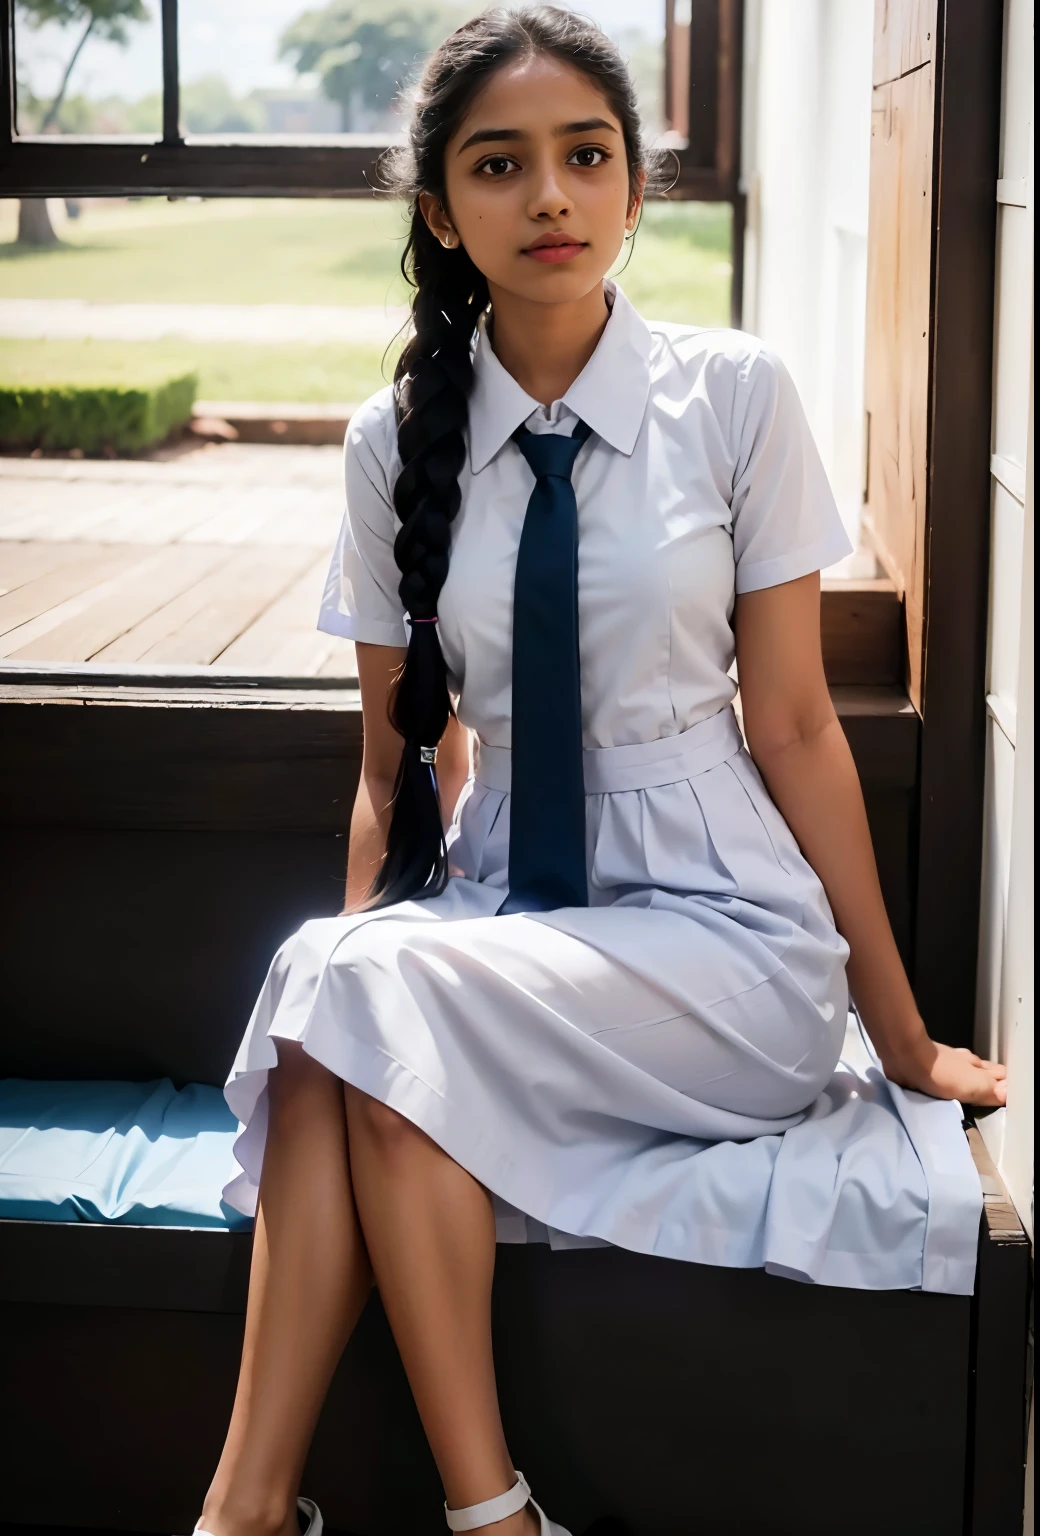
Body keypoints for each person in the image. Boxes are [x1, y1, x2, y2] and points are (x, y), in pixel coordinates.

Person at [194, 8, 1006, 1536]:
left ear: (638, 181)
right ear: (442, 210)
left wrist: (898, 1037)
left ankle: (377, 1514)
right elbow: (393, 760)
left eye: (586, 156)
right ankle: (315, 1511)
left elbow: (798, 731)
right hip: (508, 921)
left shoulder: (738, 396)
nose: (550, 199)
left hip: (729, 947)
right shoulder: (392, 443)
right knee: (337, 995)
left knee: (355, 1000)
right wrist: (360, 959)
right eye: (500, 167)